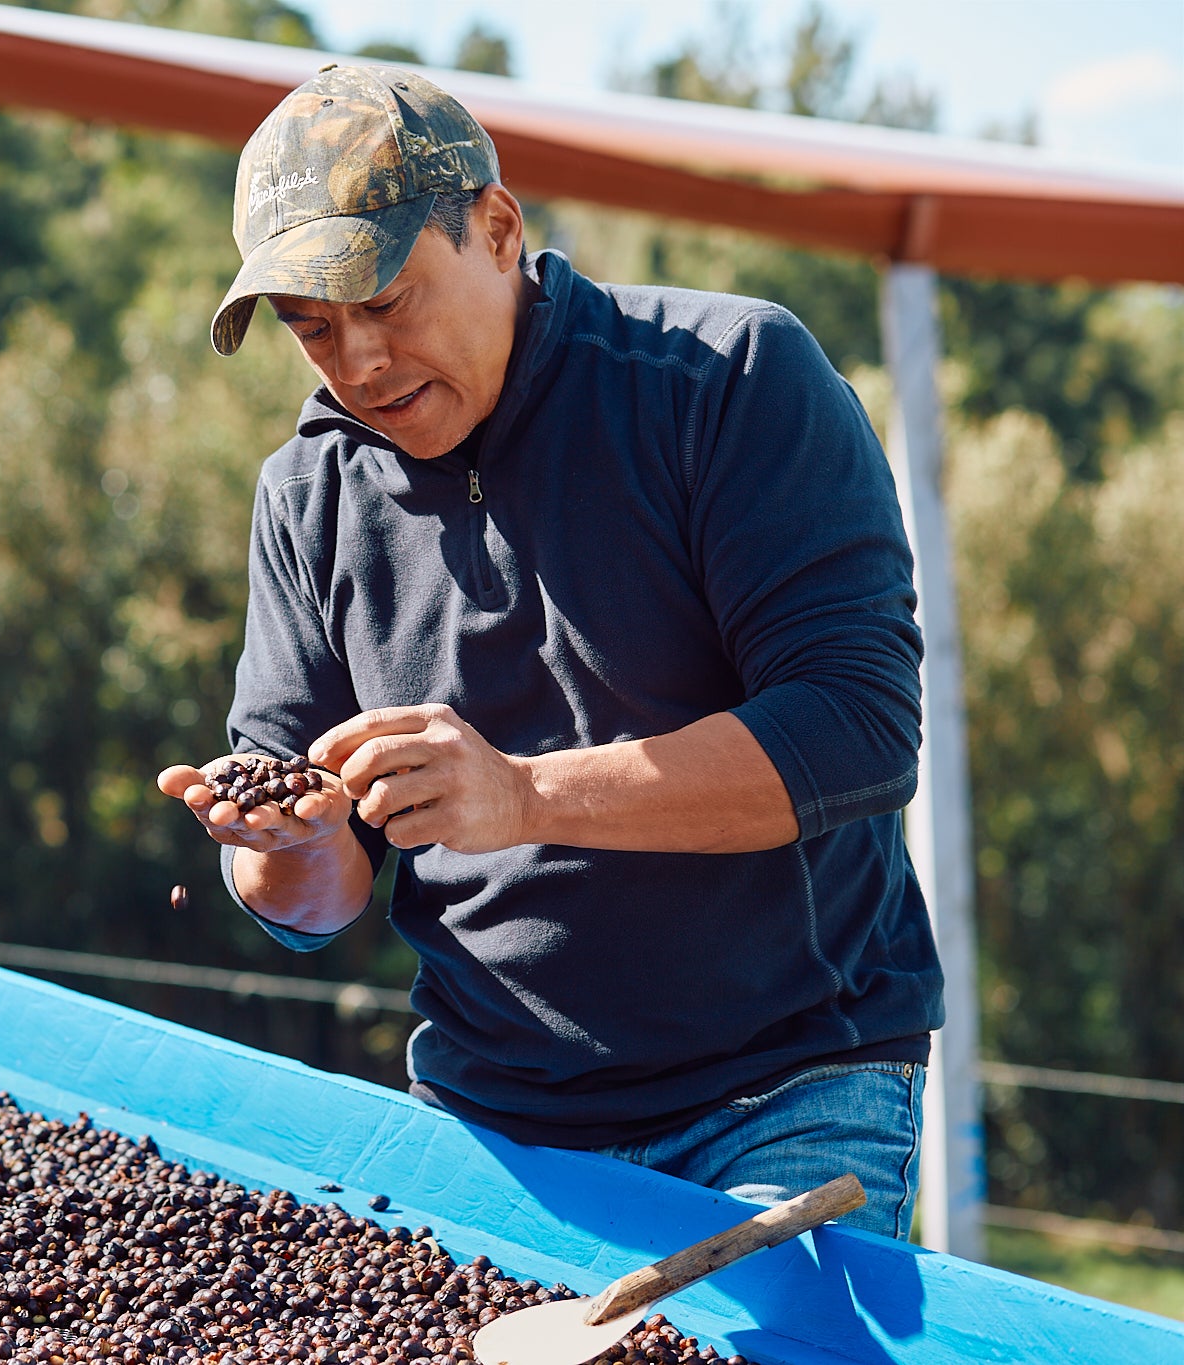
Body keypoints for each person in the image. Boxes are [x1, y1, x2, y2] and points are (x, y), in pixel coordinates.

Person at [156, 64, 943, 1239]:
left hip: (786, 1088)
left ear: (495, 230)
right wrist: (291, 847)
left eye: (386, 301)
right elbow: (309, 903)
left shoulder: (724, 379)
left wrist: (520, 797)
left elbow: (856, 733)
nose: (356, 362)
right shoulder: (306, 494)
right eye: (310, 326)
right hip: (491, 1123)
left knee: (754, 1332)